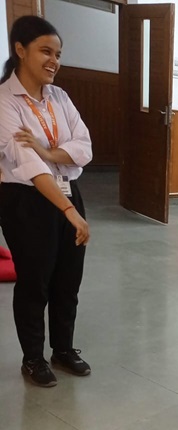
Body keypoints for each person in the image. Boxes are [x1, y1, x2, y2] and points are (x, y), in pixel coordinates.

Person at [0, 16, 92, 387]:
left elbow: (83, 146)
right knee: (35, 280)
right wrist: (69, 211)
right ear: (20, 50)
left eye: (58, 54)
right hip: (26, 199)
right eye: (45, 51)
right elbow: (28, 164)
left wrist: (49, 151)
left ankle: (63, 349)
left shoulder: (60, 97)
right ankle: (33, 358)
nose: (54, 60)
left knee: (69, 277)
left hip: (67, 188)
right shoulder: (5, 101)